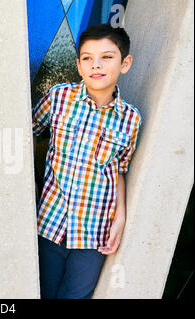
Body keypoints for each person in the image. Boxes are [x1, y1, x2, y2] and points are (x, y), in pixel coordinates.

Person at [32, 24, 142, 299]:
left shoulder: (131, 119)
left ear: (125, 63)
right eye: (87, 58)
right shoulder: (59, 98)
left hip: (95, 232)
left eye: (107, 57)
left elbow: (119, 170)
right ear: (79, 65)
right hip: (48, 224)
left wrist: (121, 217)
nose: (96, 65)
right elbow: (27, 136)